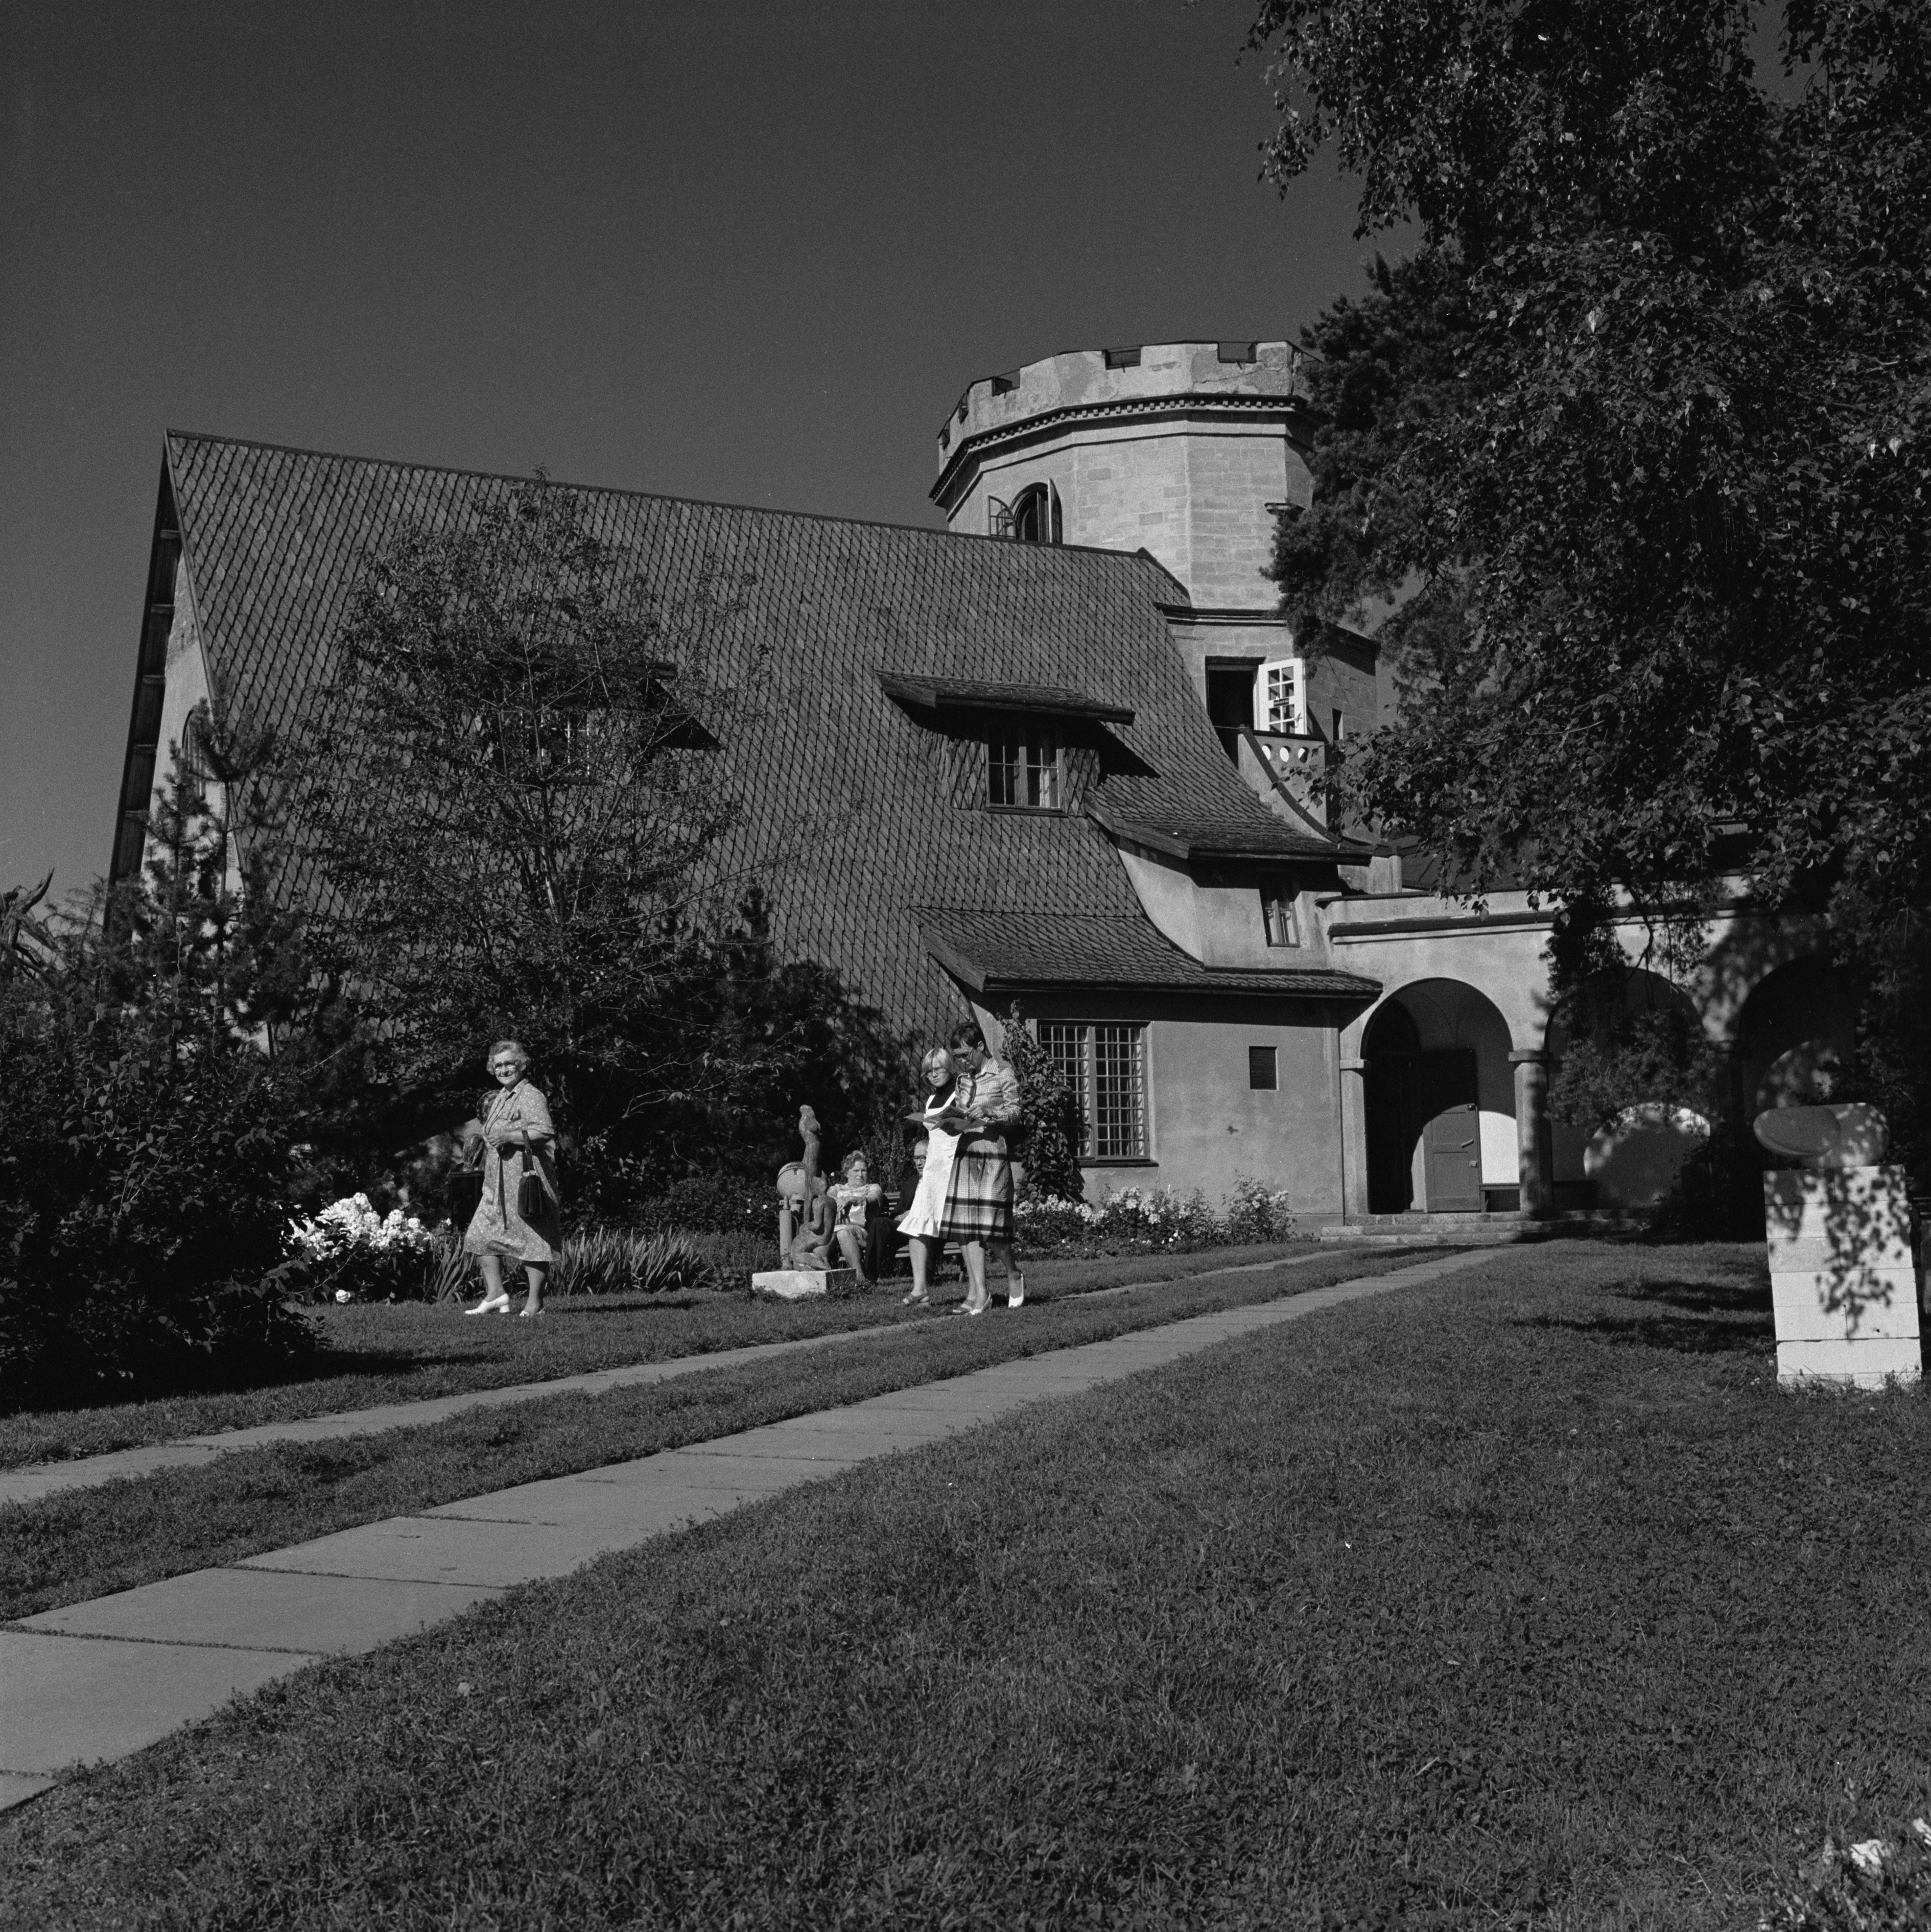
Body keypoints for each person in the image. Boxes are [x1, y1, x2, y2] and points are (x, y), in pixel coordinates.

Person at [462, 1039, 562, 1318]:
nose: (504, 1069)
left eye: (509, 1063)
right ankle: (496, 1294)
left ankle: (535, 1304)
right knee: (480, 1236)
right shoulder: (500, 1097)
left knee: (533, 1239)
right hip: (497, 1184)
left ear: (521, 1064)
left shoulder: (530, 1095)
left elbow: (545, 1132)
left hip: (525, 1180)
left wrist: (508, 1136)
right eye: (498, 1065)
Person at [948, 1020, 1025, 1310]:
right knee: (968, 1227)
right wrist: (951, 1122)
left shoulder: (1003, 1072)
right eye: (957, 1057)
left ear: (980, 1046)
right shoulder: (964, 1080)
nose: (962, 1061)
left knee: (993, 1227)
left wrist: (990, 1112)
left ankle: (1013, 1272)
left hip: (992, 1154)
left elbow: (1017, 1113)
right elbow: (961, 1113)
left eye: (966, 1054)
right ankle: (980, 1294)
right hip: (966, 1154)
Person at [895, 1047, 970, 1308]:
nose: (933, 1075)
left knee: (960, 1230)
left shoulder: (960, 1092)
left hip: (954, 1165)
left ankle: (976, 1291)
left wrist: (957, 1121)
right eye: (929, 1071)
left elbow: (971, 1124)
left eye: (938, 1069)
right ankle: (920, 1290)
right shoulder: (930, 1100)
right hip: (933, 1168)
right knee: (917, 1225)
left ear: (950, 1067)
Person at [830, 1149, 884, 1280]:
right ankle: (822, 1277)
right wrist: (837, 1200)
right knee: (825, 1237)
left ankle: (859, 1277)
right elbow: (829, 1198)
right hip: (836, 1230)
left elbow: (872, 1199)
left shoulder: (873, 1188)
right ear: (847, 1173)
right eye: (856, 1171)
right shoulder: (837, 1189)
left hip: (863, 1232)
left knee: (842, 1232)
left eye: (864, 1171)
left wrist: (851, 1199)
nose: (860, 1174)